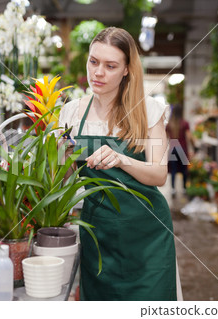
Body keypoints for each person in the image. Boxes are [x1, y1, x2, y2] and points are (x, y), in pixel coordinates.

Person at [59, 27, 181, 301]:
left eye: (110, 65)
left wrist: (122, 159)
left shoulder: (148, 110)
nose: (98, 72)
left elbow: (159, 174)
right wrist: (60, 157)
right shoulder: (71, 113)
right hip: (97, 235)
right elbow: (66, 180)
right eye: (94, 62)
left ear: (127, 70)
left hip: (147, 235)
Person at [166, 104, 193, 196]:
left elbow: (165, 137)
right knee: (184, 169)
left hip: (173, 148)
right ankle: (184, 188)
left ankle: (173, 189)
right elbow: (189, 136)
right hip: (182, 149)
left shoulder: (169, 124)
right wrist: (194, 146)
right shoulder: (185, 123)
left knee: (173, 170)